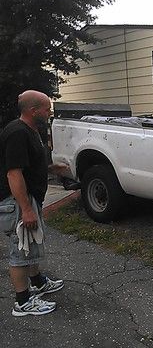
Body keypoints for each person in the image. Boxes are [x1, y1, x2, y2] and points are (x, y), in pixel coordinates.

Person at [0, 90, 68, 316]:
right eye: (47, 109)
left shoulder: (32, 130)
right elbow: (13, 173)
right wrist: (26, 209)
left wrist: (50, 169)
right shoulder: (17, 132)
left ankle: (37, 282)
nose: (49, 113)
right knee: (20, 249)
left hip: (30, 198)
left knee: (31, 245)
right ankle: (22, 302)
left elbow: (27, 165)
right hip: (19, 201)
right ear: (33, 110)